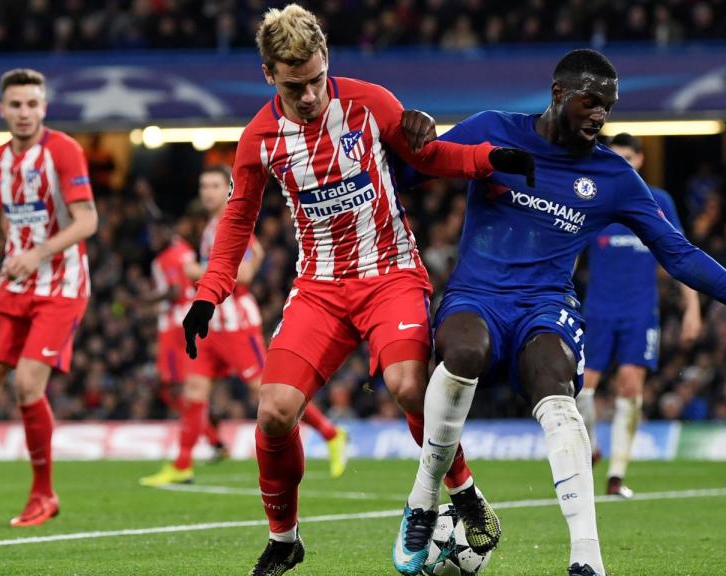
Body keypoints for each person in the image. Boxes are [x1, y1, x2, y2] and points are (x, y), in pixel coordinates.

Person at [395, 49, 726, 576]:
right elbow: (405, 174)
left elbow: (680, 254)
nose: (600, 115)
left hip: (545, 308)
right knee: (463, 351)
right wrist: (409, 133)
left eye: (609, 107)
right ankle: (421, 501)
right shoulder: (491, 129)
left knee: (557, 389)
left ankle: (588, 560)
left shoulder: (613, 177)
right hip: (476, 296)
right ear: (558, 94)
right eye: (591, 102)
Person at [180, 5, 535, 575]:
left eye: (318, 79)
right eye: (295, 85)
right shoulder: (258, 140)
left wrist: (489, 160)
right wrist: (208, 293)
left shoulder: (370, 102)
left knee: (406, 385)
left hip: (390, 273)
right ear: (269, 75)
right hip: (319, 287)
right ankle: (284, 538)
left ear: (328, 63)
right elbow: (236, 224)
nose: (311, 95)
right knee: (272, 413)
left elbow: (429, 155)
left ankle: (464, 492)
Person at [0, 68, 98, 527]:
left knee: (27, 383)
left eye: (32, 104)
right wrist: (17, 256)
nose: (24, 113)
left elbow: (88, 221)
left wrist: (38, 254)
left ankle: (44, 495)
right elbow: (15, 220)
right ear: (2, 110)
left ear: (44, 108)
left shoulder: (63, 150)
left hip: (62, 284)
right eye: (16, 105)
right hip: (14, 284)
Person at [142, 166, 350, 487]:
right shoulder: (212, 227)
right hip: (213, 326)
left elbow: (247, 274)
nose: (208, 191)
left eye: (215, 185)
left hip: (238, 327)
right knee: (194, 390)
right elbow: (252, 256)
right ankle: (182, 465)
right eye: (204, 185)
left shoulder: (234, 224)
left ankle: (331, 434)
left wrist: (196, 268)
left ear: (228, 190)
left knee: (268, 393)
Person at [575, 132, 703, 498]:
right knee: (584, 390)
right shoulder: (591, 200)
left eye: (628, 158)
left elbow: (680, 255)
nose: (622, 165)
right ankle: (594, 446)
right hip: (597, 311)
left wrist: (692, 307)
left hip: (639, 312)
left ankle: (616, 476)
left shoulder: (657, 201)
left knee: (630, 387)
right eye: (615, 158)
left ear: (640, 161)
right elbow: (569, 253)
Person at [140, 215, 230, 486]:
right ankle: (209, 438)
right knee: (178, 389)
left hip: (178, 327)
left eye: (159, 232)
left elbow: (176, 290)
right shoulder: (170, 255)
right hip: (177, 324)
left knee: (176, 388)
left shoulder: (178, 254)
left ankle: (200, 445)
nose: (154, 238)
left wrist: (137, 301)